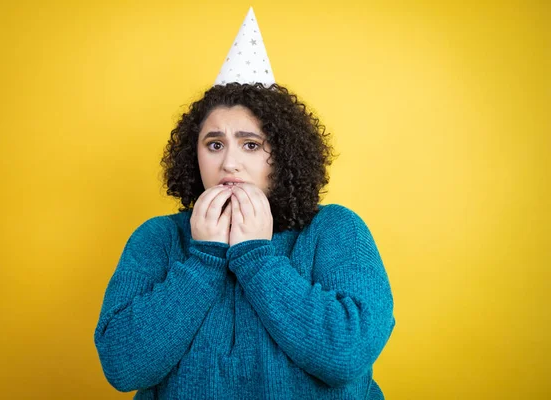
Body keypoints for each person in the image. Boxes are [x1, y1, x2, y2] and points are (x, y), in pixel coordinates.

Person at [94, 7, 395, 400]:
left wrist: (257, 257)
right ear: (194, 155)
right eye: (214, 144)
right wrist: (204, 258)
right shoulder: (159, 237)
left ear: (283, 156)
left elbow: (346, 354)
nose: (229, 163)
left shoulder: (335, 230)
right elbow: (121, 366)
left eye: (251, 145)